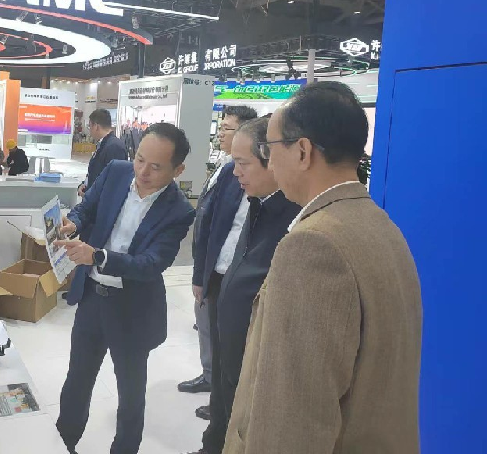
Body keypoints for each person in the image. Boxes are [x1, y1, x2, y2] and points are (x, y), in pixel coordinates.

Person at [224, 82, 422, 454]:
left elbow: (292, 417)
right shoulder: (380, 224)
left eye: (270, 148)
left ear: (302, 151)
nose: (270, 162)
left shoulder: (313, 246)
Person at [54, 123, 196, 454]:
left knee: (130, 395)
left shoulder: (179, 211)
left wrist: (98, 256)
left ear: (178, 170)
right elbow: (87, 207)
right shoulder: (117, 172)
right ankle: (62, 443)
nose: (143, 172)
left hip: (132, 309)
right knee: (77, 381)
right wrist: (74, 221)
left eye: (156, 167)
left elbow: (150, 264)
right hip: (93, 299)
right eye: (140, 159)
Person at [187, 118, 299, 454]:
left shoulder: (295, 216)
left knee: (242, 397)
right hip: (227, 309)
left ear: (273, 158)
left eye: (243, 163)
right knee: (223, 387)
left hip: (256, 337)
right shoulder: (257, 201)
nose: (236, 172)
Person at [179, 106, 257, 419]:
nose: (221, 133)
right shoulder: (225, 167)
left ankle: (224, 401)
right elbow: (211, 220)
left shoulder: (248, 176)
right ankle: (212, 380)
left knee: (229, 339)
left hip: (232, 271)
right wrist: (201, 273)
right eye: (221, 127)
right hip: (215, 266)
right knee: (208, 328)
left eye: (228, 128)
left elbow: (227, 225)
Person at [78, 108, 127, 197]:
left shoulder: (114, 147)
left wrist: (91, 196)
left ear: (96, 126)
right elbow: (96, 172)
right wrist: (84, 184)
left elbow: (112, 183)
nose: (89, 130)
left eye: (90, 126)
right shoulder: (103, 144)